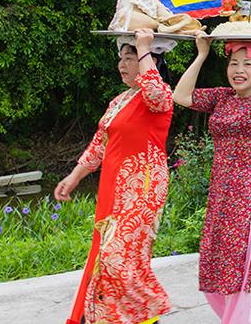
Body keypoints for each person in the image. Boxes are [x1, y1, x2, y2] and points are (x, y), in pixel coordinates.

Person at [172, 30, 251, 324]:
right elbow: (180, 95)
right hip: (220, 191)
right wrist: (201, 54)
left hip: (248, 191)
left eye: (248, 64)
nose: (239, 70)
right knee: (214, 268)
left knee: (236, 268)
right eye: (234, 63)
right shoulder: (221, 97)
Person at [59, 29, 174, 324]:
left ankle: (148, 311)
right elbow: (99, 145)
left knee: (117, 256)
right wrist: (74, 177)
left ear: (152, 59)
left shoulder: (159, 97)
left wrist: (144, 46)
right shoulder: (119, 101)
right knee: (109, 256)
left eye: (130, 57)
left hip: (143, 186)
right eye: (121, 57)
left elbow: (155, 91)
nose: (122, 64)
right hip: (113, 186)